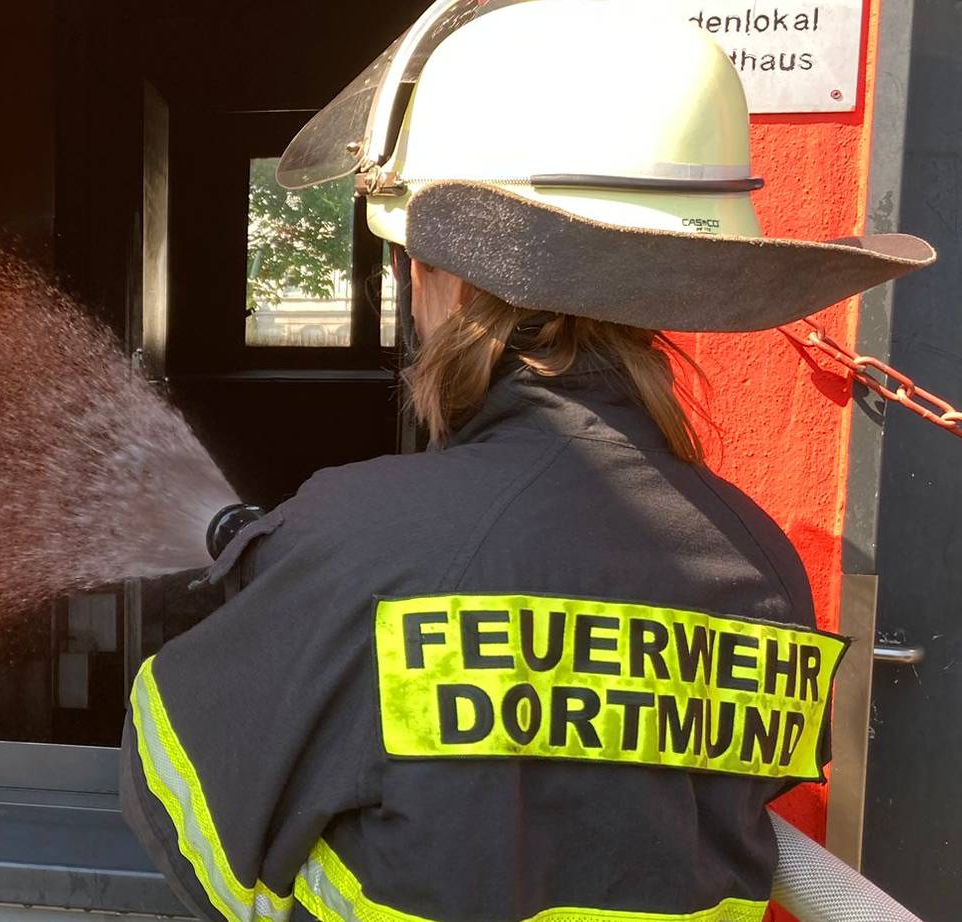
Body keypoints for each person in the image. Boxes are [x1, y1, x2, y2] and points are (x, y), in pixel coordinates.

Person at [120, 3, 934, 921]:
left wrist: (296, 592)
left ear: (453, 277)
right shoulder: (763, 568)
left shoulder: (359, 536)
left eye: (411, 264)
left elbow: (178, 794)